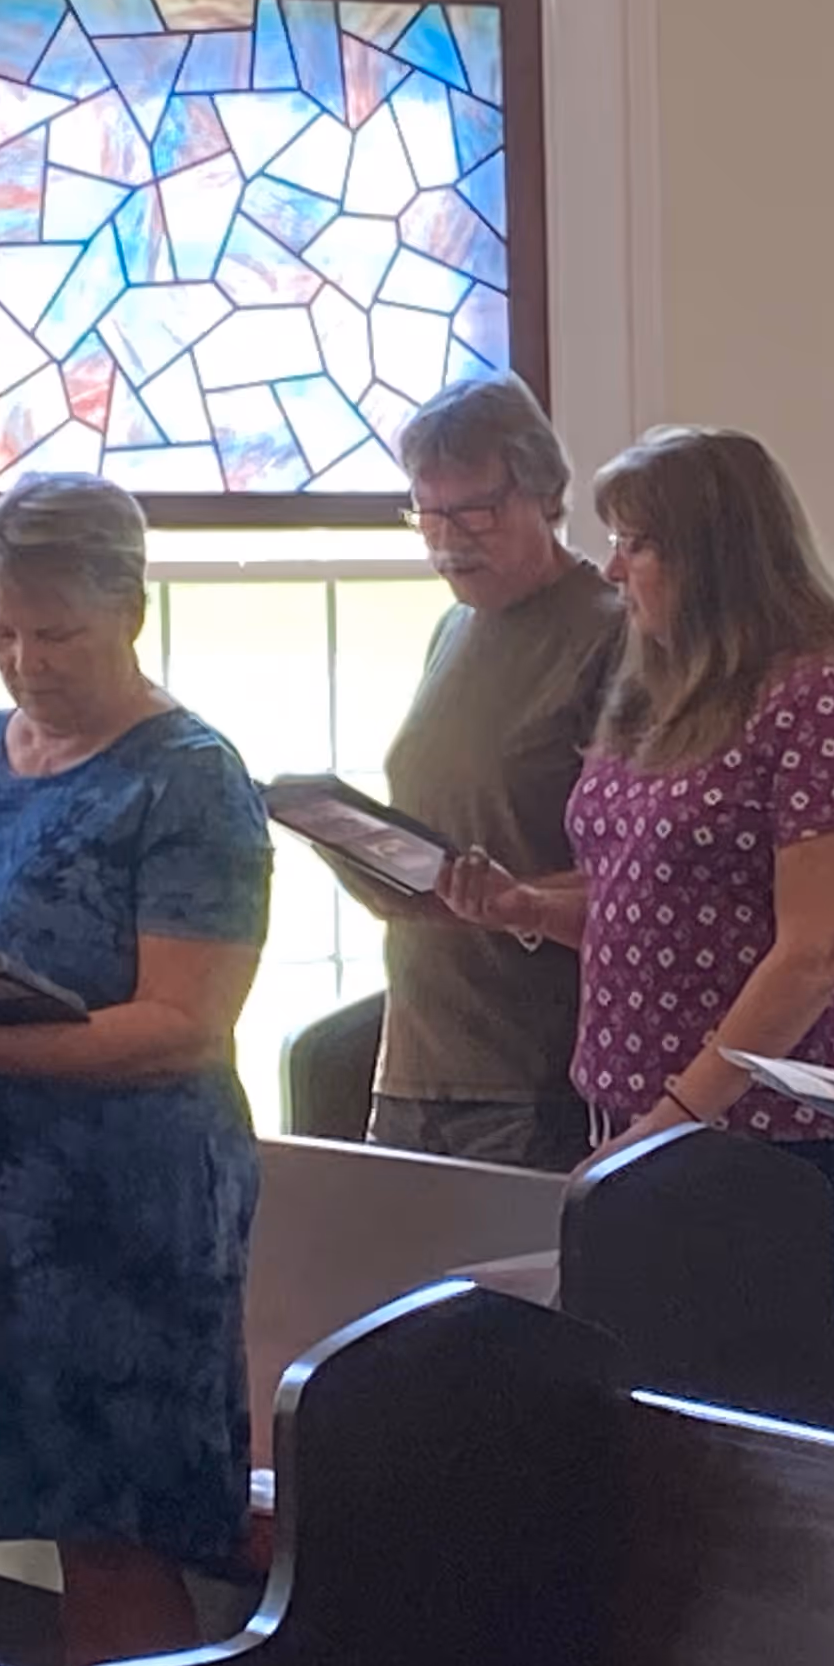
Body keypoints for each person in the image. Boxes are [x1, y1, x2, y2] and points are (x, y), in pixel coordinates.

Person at [0, 478, 271, 1666]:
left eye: (58, 635)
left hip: (119, 1211)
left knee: (113, 1520)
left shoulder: (189, 777)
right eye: (3, 634)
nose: (26, 662)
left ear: (132, 611)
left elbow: (185, 1023)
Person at [444, 426, 834, 1418]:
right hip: (652, 1123)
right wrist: (531, 908)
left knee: (765, 1443)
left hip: (777, 1137)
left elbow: (818, 948)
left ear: (719, 556)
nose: (613, 569)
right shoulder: (659, 690)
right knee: (642, 1438)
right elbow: (650, 897)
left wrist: (678, 1118)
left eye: (638, 544)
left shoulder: (818, 693)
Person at [363, 376, 623, 1172]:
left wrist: (517, 901)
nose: (448, 541)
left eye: (473, 511)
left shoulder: (611, 632)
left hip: (534, 1066)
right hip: (417, 1053)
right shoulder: (452, 627)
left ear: (544, 493)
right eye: (428, 515)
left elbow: (641, 871)